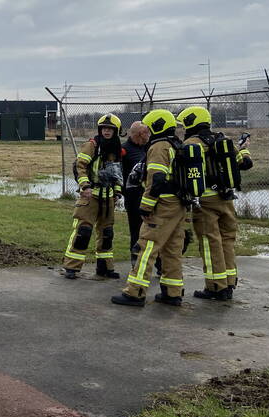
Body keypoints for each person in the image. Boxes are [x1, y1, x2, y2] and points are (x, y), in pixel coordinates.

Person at [112, 109, 189, 307]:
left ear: (156, 126)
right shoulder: (177, 145)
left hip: (162, 205)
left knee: (146, 247)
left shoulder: (159, 147)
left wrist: (146, 206)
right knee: (172, 249)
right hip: (179, 204)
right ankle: (172, 293)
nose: (147, 132)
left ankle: (135, 292)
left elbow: (157, 179)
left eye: (148, 127)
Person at [176, 106, 254, 300]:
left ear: (191, 123)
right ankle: (229, 282)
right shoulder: (223, 140)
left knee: (210, 243)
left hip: (205, 201)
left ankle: (215, 287)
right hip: (226, 198)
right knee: (227, 240)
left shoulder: (191, 143)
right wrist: (245, 149)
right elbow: (244, 164)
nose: (183, 129)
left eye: (184, 125)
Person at [62, 113, 124, 279]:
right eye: (104, 128)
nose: (106, 131)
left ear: (116, 131)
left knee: (107, 233)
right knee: (83, 231)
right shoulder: (92, 145)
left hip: (108, 197)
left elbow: (117, 172)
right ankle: (71, 267)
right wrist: (85, 186)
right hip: (90, 196)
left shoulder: (117, 148)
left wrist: (117, 191)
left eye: (110, 129)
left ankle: (105, 267)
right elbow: (79, 166)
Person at [121, 121, 150, 266]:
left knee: (154, 230)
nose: (148, 136)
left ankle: (158, 263)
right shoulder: (124, 150)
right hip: (134, 198)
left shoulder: (148, 148)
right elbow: (119, 174)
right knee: (136, 230)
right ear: (140, 134)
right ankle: (136, 261)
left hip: (151, 197)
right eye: (147, 133)